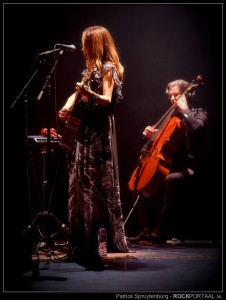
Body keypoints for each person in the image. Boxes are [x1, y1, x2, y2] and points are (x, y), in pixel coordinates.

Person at [58, 26, 129, 270]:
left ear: (96, 44)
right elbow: (76, 92)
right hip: (84, 132)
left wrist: (87, 92)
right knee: (81, 186)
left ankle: (95, 245)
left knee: (97, 188)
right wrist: (68, 106)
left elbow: (107, 99)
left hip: (98, 135)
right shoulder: (91, 71)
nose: (83, 49)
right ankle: (80, 244)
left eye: (87, 44)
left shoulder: (108, 69)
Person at [128, 78, 208, 244]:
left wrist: (185, 110)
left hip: (188, 167)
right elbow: (161, 144)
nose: (173, 99)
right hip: (166, 165)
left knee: (171, 179)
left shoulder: (199, 112)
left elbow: (198, 129)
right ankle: (146, 228)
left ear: (188, 94)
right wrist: (151, 136)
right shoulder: (170, 117)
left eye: (177, 95)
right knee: (138, 179)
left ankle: (160, 229)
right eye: (170, 96)